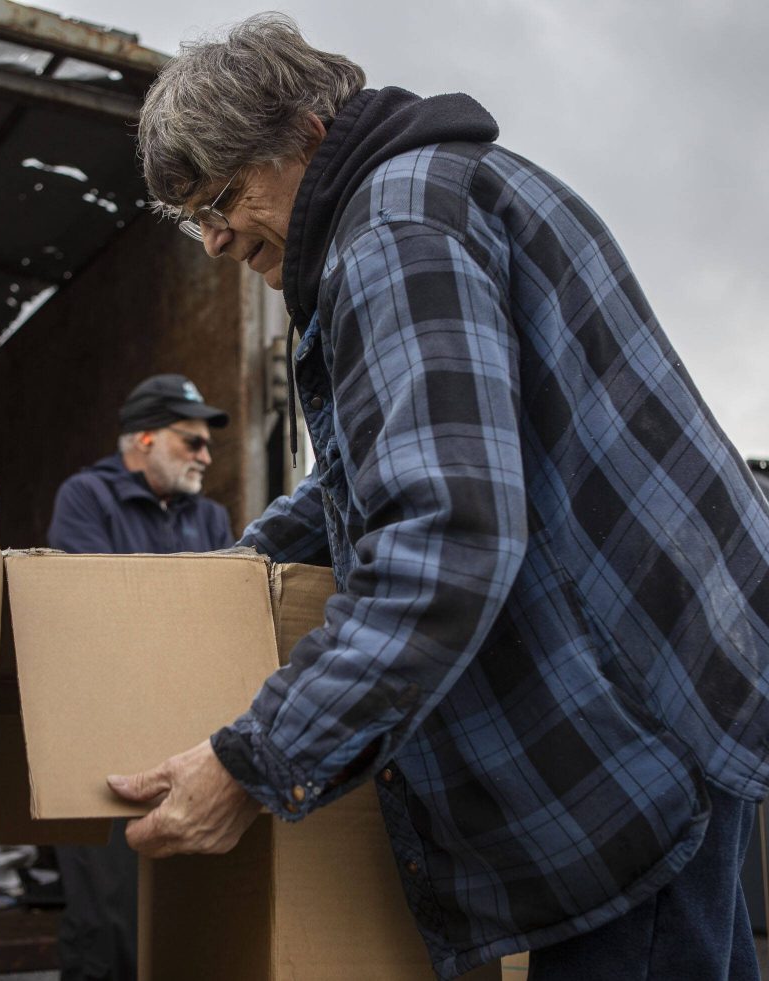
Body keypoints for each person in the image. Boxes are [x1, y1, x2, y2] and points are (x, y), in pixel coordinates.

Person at [106, 14, 769, 981]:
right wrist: (236, 573)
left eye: (222, 196)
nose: (210, 239)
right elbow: (384, 472)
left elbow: (447, 534)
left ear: (306, 137)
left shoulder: (394, 235)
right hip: (668, 693)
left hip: (632, 732)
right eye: (190, 216)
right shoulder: (429, 198)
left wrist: (251, 762)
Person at [48, 372, 233, 981]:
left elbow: (226, 618)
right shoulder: (85, 497)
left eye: (208, 444)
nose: (206, 457)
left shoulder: (210, 519)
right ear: (146, 438)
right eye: (192, 442)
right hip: (100, 744)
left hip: (186, 743)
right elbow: (96, 612)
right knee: (106, 920)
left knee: (188, 911)